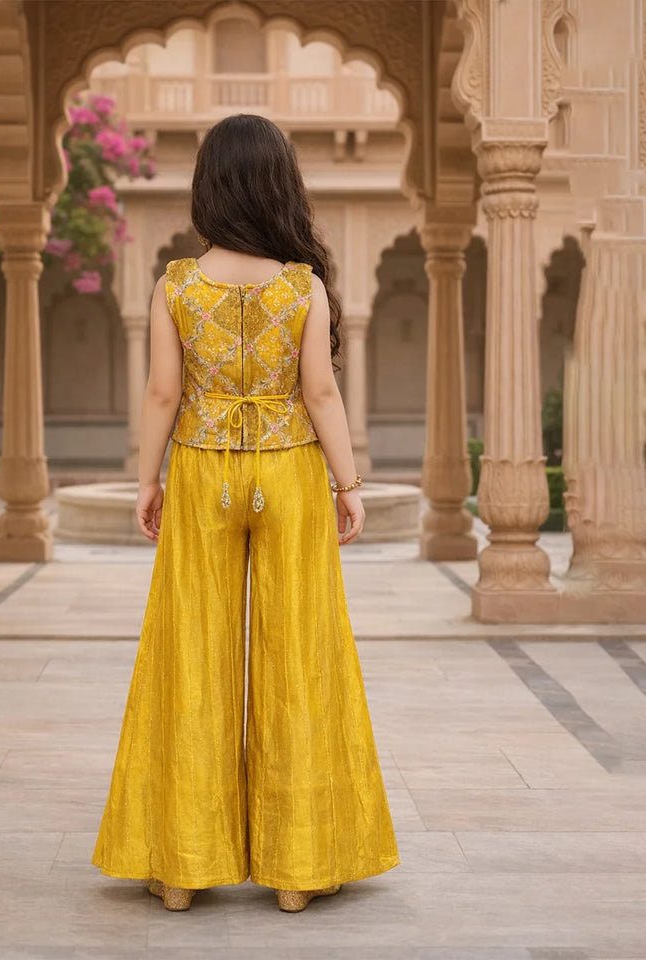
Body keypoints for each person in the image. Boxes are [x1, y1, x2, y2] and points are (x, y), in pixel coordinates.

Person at [92, 113, 399, 913]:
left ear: (208, 187)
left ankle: (184, 870)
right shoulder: (302, 286)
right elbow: (321, 393)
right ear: (279, 185)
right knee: (300, 654)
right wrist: (350, 484)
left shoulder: (177, 285)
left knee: (191, 654)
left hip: (202, 472)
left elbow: (162, 392)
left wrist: (145, 480)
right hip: (290, 474)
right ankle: (297, 872)